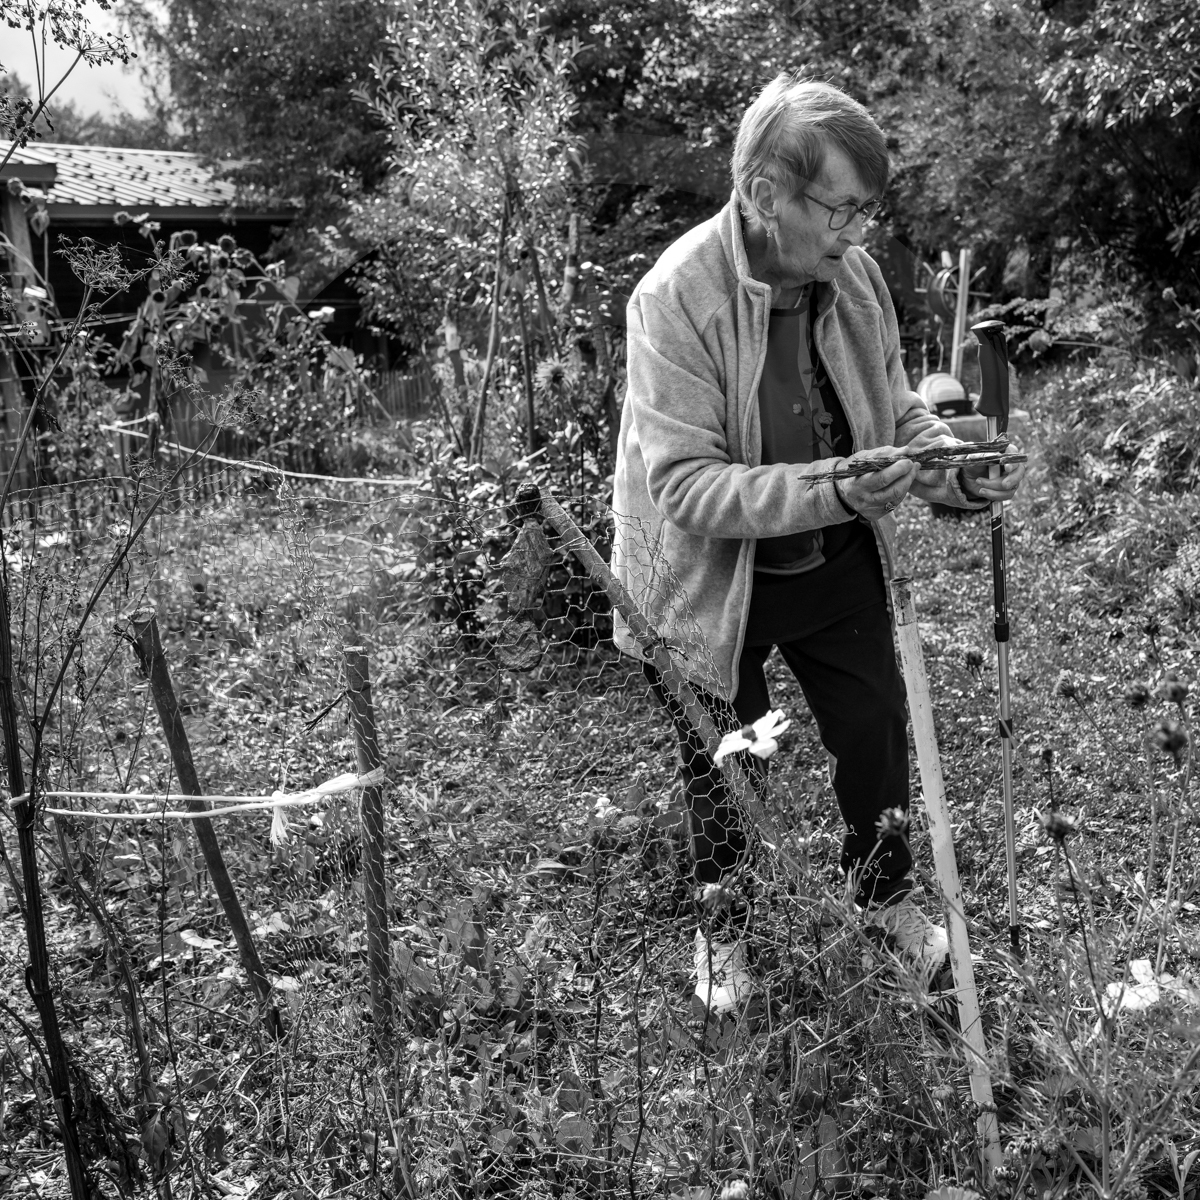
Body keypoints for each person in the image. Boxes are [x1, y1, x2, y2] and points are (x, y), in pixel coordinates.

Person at [610, 74, 1026, 1012]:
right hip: (709, 578)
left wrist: (950, 471)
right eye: (841, 210)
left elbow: (898, 407)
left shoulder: (853, 278)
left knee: (874, 725)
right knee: (727, 762)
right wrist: (833, 485)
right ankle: (726, 932)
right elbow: (683, 487)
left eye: (866, 211)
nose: (857, 234)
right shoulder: (674, 299)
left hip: (831, 556)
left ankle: (883, 900)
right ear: (765, 195)